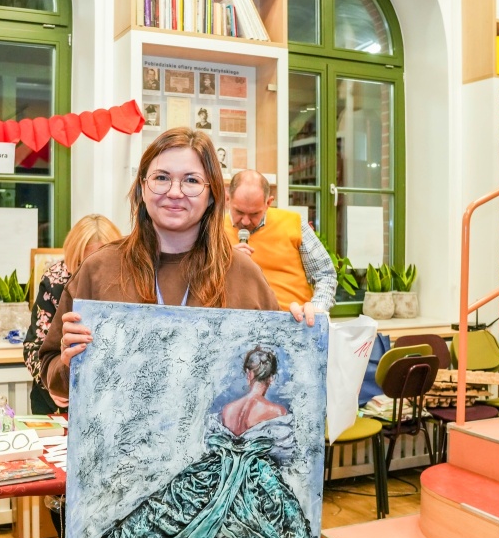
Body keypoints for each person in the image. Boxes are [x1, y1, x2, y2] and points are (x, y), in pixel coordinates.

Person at [39, 126, 318, 408]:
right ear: (142, 188)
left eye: (191, 180)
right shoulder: (100, 269)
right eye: (161, 178)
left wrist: (301, 335)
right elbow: (52, 372)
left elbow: (278, 381)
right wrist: (69, 363)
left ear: (212, 195)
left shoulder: (244, 275)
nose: (174, 192)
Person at [65, 344, 316, 538]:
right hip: (256, 478)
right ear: (271, 378)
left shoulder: (229, 409)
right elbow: (284, 454)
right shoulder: (276, 412)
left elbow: (217, 442)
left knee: (171, 518)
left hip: (215, 471)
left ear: (248, 374)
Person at [23, 214, 122, 414]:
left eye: (97, 264)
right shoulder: (55, 281)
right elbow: (34, 347)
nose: (87, 273)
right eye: (80, 263)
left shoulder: (127, 284)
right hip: (57, 403)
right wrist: (53, 383)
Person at [224, 170, 338, 313]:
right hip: (239, 321)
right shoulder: (214, 231)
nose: (245, 221)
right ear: (227, 199)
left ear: (268, 203)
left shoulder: (293, 223)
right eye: (239, 212)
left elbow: (325, 274)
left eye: (254, 214)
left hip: (294, 318)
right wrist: (225, 263)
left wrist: (316, 310)